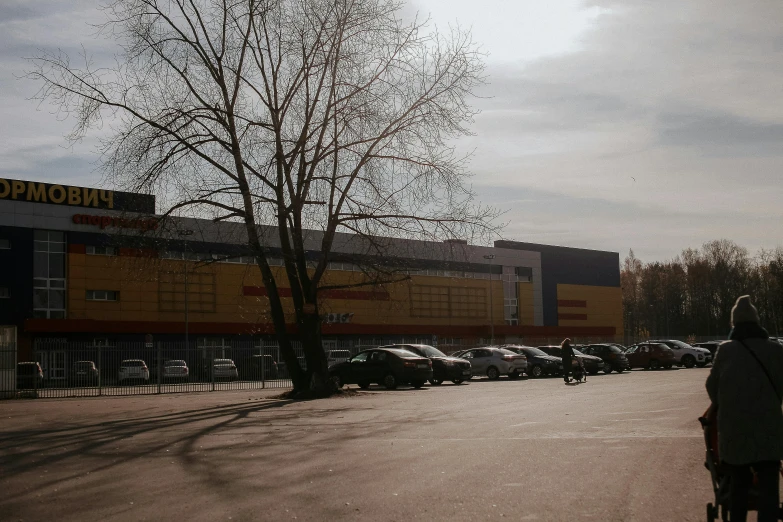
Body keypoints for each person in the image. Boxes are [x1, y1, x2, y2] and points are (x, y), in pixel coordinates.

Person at [706, 295, 783, 522]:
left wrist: (726, 403)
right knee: (769, 486)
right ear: (757, 322)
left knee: (738, 485)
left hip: (735, 430)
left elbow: (712, 387)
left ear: (734, 324)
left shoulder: (726, 350)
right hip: (769, 429)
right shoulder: (776, 350)